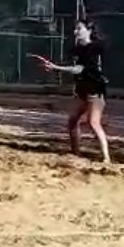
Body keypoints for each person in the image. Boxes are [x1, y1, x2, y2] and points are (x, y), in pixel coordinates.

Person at [40, 19, 111, 163]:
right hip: (83, 91)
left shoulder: (94, 48)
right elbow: (71, 65)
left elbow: (79, 69)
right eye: (75, 29)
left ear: (89, 31)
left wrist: (56, 68)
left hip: (95, 91)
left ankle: (106, 157)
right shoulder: (77, 49)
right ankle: (75, 153)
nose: (75, 32)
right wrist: (53, 66)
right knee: (73, 120)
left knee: (93, 123)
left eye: (79, 28)